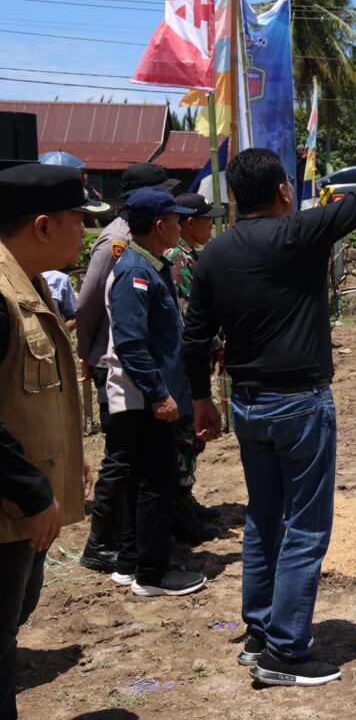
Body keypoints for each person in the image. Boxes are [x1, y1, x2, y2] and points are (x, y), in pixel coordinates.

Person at [182, 102, 356, 686]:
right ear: (281, 190)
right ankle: (285, 653)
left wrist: (202, 400)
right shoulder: (298, 235)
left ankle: (258, 631)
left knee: (262, 521)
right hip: (300, 404)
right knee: (304, 528)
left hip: (244, 403)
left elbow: (194, 337)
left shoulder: (212, 255)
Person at [0, 163, 105, 719]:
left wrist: (71, 460)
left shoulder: (30, 283)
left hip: (22, 507)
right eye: (78, 222)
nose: (85, 234)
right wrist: (32, 491)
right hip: (11, 508)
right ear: (43, 226)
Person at [77, 162, 178, 574]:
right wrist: (88, 353)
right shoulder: (121, 247)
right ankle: (105, 544)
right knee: (128, 463)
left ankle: (127, 552)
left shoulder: (149, 256)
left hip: (136, 370)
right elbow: (88, 304)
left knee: (137, 467)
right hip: (124, 370)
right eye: (173, 216)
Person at [103, 187, 204, 597]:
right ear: (160, 225)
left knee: (142, 481)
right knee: (157, 484)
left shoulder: (148, 265)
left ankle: (130, 563)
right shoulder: (135, 272)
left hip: (149, 396)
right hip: (146, 401)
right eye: (177, 220)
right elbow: (130, 343)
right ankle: (152, 573)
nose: (182, 226)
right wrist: (159, 394)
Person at [166, 193, 227, 543]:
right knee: (185, 437)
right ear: (190, 223)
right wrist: (216, 345)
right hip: (187, 364)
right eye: (206, 220)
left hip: (195, 359)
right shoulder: (179, 259)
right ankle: (181, 512)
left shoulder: (190, 257)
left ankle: (186, 502)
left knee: (191, 439)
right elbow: (191, 317)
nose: (211, 226)